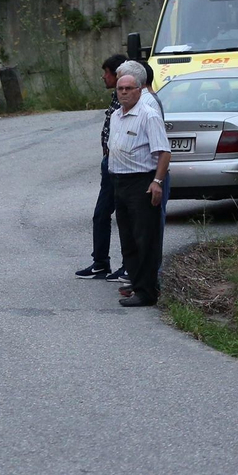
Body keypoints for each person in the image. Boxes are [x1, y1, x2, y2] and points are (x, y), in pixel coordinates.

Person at [108, 70, 169, 308]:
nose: (123, 92)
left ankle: (148, 292)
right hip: (120, 182)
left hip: (141, 182)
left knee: (146, 238)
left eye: (129, 89)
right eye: (120, 89)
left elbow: (164, 152)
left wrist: (157, 182)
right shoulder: (115, 116)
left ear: (139, 90)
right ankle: (137, 283)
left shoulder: (148, 115)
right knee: (128, 238)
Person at [76, 54, 126, 281]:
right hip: (110, 163)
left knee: (127, 216)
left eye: (107, 72)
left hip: (123, 166)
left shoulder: (128, 99)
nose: (103, 77)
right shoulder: (116, 98)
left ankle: (128, 265)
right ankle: (100, 263)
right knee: (101, 214)